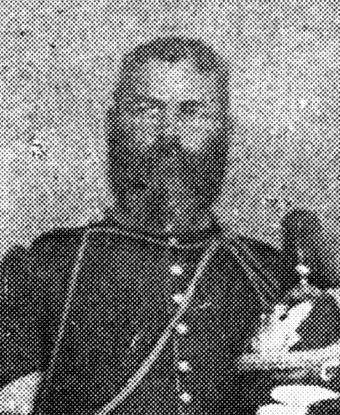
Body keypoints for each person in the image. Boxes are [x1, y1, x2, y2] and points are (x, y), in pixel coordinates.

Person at [0, 36, 339, 415]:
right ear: (115, 124)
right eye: (147, 110)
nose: (169, 135)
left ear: (225, 130)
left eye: (192, 112)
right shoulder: (43, 269)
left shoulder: (272, 274)